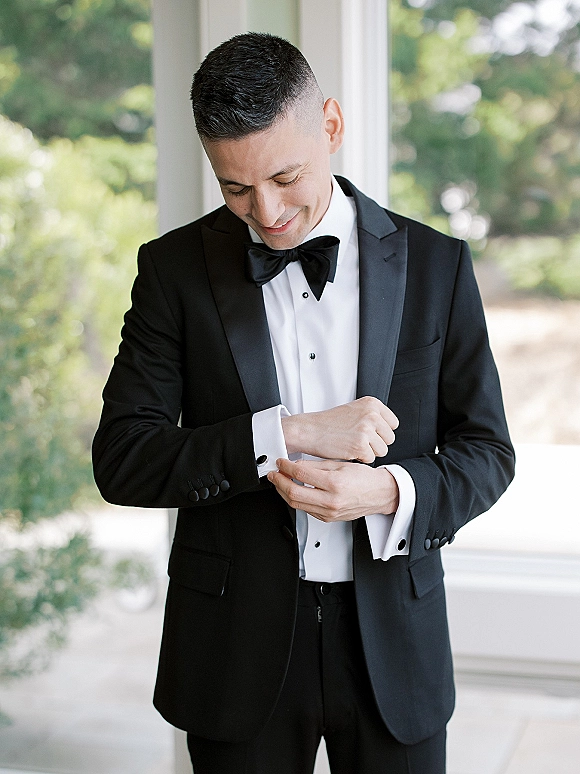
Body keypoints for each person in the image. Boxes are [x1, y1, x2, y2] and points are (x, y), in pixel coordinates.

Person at [92, 32, 515, 774]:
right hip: (234, 646)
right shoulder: (173, 272)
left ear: (331, 125)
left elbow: (488, 452)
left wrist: (385, 490)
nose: (269, 212)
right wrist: (283, 434)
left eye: (286, 176)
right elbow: (125, 460)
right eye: (236, 188)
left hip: (394, 646)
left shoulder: (438, 265)